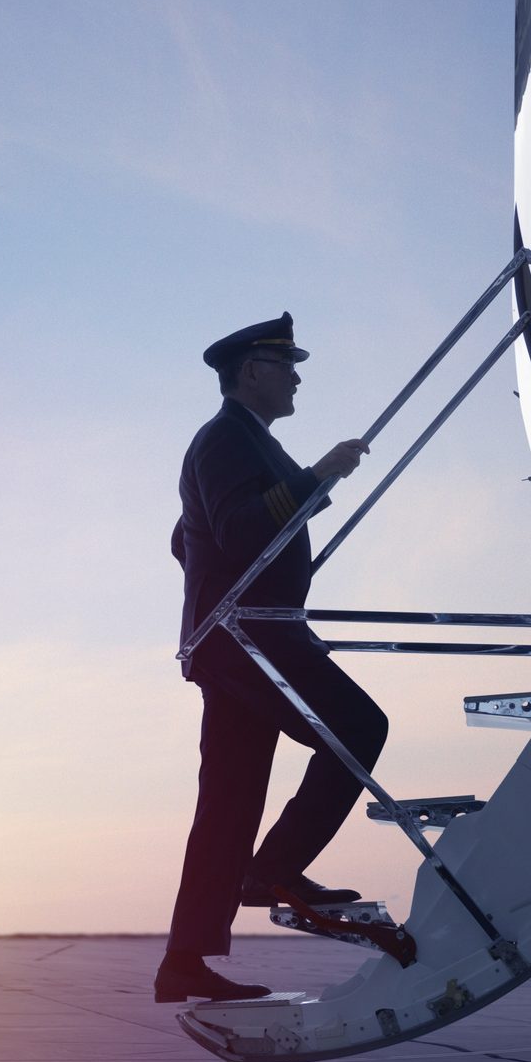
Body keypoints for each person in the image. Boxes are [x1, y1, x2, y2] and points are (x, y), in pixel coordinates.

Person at [154, 312, 387, 1004]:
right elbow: (238, 526)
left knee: (227, 804)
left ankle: (184, 963)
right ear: (251, 371)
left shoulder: (241, 442)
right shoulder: (226, 437)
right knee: (357, 727)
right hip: (250, 639)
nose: (296, 377)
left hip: (235, 639)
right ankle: (276, 869)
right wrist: (322, 474)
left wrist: (214, 581)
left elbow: (185, 538)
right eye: (285, 365)